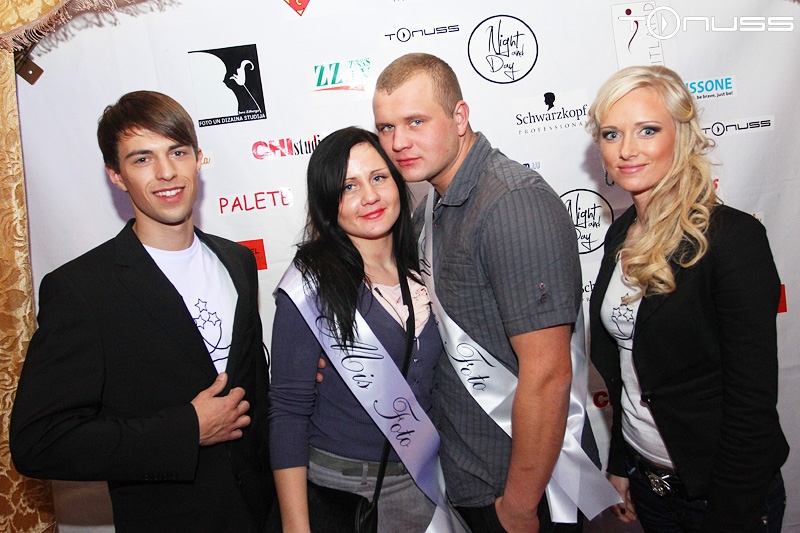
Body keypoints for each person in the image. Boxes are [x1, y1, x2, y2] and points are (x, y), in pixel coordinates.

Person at [10, 91, 274, 533]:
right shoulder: (82, 290)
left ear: (198, 159)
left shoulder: (237, 261)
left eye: (178, 152)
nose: (167, 172)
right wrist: (186, 429)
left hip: (262, 515)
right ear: (116, 175)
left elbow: (253, 393)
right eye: (142, 159)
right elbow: (39, 442)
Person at [372, 53, 613, 533]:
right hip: (470, 479)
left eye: (416, 121)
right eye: (386, 127)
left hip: (526, 493)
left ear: (460, 117)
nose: (398, 142)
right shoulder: (432, 206)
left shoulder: (511, 203)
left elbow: (548, 373)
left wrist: (518, 506)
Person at [586, 65, 789, 532]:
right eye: (612, 134)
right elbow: (630, 373)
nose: (627, 149)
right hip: (649, 486)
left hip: (723, 496)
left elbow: (751, 405)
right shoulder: (621, 233)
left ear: (681, 135)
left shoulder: (732, 239)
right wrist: (622, 463)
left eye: (648, 130)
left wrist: (729, 516)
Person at [269, 127, 461, 533]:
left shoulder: (425, 262)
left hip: (427, 478)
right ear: (327, 202)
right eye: (349, 187)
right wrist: (296, 526)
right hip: (345, 489)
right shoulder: (310, 285)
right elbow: (288, 411)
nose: (370, 196)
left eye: (378, 177)